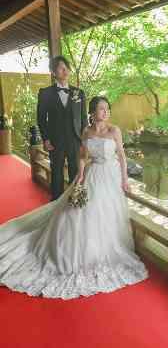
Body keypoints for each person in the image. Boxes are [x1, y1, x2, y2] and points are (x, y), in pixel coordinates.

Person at [0, 96, 149, 299]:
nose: (105, 112)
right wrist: (79, 174)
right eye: (101, 109)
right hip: (92, 173)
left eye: (107, 109)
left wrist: (124, 179)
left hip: (110, 176)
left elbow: (122, 156)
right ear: (92, 112)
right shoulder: (87, 131)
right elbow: (81, 156)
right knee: (77, 212)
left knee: (105, 212)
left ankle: (103, 251)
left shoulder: (114, 131)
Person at [37, 56, 88, 201]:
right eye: (61, 68)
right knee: (57, 174)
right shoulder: (45, 93)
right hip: (55, 141)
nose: (65, 71)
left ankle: (74, 202)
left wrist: (84, 141)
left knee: (75, 173)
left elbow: (84, 119)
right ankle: (56, 205)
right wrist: (46, 139)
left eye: (67, 68)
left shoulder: (79, 93)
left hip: (75, 140)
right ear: (53, 72)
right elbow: (41, 119)